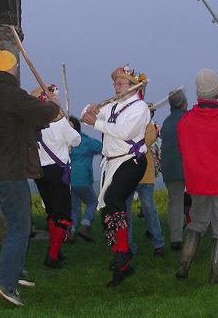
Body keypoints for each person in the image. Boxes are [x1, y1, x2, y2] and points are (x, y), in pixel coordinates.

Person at [0, 49, 60, 307]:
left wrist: (42, 107)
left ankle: (15, 270)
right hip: (8, 171)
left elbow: (22, 121)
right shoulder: (11, 94)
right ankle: (6, 283)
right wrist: (52, 104)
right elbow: (42, 114)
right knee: (20, 228)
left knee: (16, 224)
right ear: (13, 69)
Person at [82, 64, 149, 287]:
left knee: (113, 200)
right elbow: (85, 117)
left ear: (133, 86)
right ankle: (122, 260)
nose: (116, 85)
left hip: (132, 160)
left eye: (121, 82)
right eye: (115, 82)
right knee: (108, 210)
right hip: (112, 163)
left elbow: (124, 132)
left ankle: (123, 253)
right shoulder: (111, 105)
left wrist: (97, 122)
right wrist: (89, 109)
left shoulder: (140, 107)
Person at [175, 68, 218, 284]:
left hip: (196, 181)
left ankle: (183, 267)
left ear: (198, 91)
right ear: (217, 91)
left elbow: (183, 148)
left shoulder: (185, 120)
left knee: (196, 223)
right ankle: (215, 277)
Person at [31, 85, 81, 269]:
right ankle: (52, 255)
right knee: (61, 213)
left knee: (52, 211)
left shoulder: (33, 124)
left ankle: (56, 250)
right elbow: (76, 140)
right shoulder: (59, 123)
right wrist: (67, 124)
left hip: (40, 172)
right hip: (58, 171)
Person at [126, 113, 165, 257]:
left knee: (150, 210)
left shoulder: (148, 125)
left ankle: (158, 243)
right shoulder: (124, 123)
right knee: (125, 212)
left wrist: (130, 139)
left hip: (145, 174)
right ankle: (127, 246)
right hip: (127, 174)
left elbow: (148, 139)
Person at [160, 89, 188, 250]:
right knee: (199, 201)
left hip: (170, 168)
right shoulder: (188, 119)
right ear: (184, 104)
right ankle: (197, 230)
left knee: (175, 202)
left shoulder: (166, 122)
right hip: (188, 167)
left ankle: (176, 237)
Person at [68, 116, 101, 243]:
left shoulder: (64, 141)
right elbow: (101, 147)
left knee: (74, 207)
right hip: (83, 179)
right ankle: (85, 224)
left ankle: (71, 231)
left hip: (68, 179)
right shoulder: (85, 141)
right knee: (92, 201)